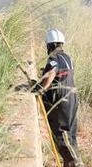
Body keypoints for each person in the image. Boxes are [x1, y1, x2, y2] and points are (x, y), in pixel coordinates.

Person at [37, 29, 83, 167]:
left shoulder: (53, 58)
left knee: (62, 135)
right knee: (71, 136)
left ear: (49, 45)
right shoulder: (68, 58)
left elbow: (52, 72)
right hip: (72, 99)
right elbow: (61, 75)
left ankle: (76, 163)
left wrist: (41, 89)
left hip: (60, 102)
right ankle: (70, 163)